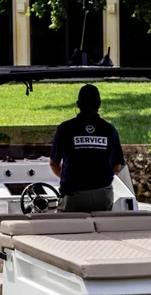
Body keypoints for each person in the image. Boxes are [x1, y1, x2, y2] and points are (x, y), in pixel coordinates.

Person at [49, 84, 125, 212]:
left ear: (78, 104)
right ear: (99, 104)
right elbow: (117, 166)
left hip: (73, 195)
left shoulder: (65, 129)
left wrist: (71, 181)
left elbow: (54, 164)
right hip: (102, 196)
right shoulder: (110, 130)